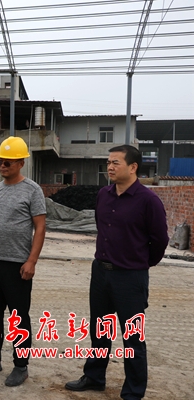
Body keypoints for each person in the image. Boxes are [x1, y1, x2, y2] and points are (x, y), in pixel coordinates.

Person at [65, 145, 169, 400]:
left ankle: (133, 391)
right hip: (101, 272)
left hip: (130, 277)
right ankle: (94, 377)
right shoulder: (104, 194)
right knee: (100, 330)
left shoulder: (148, 201)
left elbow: (160, 240)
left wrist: (140, 263)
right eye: (108, 162)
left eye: (115, 163)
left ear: (133, 167)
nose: (109, 167)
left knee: (133, 336)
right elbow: (101, 228)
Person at [0, 136, 46, 387]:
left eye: (8, 162)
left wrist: (32, 261)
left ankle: (21, 366)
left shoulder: (32, 190)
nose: (2, 165)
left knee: (18, 317)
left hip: (18, 265)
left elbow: (40, 227)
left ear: (21, 163)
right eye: (0, 161)